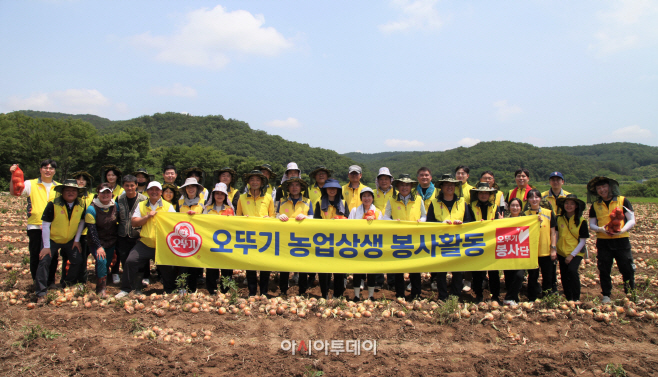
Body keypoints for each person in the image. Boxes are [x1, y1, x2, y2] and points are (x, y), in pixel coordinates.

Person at [115, 181, 177, 298]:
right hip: (145, 243)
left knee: (168, 267)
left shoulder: (168, 206)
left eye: (157, 190)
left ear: (161, 192)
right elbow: (134, 222)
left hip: (161, 244)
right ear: (147, 192)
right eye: (151, 190)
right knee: (131, 261)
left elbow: (175, 224)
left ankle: (169, 290)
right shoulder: (142, 205)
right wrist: (147, 217)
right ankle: (127, 289)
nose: (154, 192)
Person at [9, 160, 60, 291]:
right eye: (45, 168)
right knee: (36, 254)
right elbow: (15, 192)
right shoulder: (30, 184)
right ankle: (36, 281)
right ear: (40, 169)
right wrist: (13, 176)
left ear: (55, 171)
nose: (48, 170)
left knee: (52, 255)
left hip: (53, 226)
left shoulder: (59, 187)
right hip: (36, 226)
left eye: (51, 168)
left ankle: (50, 281)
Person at [35, 179, 86, 303]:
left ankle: (67, 283)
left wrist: (77, 240)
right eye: (67, 190)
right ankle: (41, 292)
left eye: (74, 190)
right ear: (62, 192)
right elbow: (46, 224)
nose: (70, 192)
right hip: (52, 239)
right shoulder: (53, 204)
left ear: (78, 193)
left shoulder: (81, 204)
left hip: (70, 240)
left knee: (77, 260)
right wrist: (46, 246)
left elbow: (82, 222)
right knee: (44, 261)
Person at [587, 176, 636, 304]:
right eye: (599, 188)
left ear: (610, 187)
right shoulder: (595, 205)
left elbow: (631, 219)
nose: (602, 190)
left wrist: (623, 229)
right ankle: (606, 295)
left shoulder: (623, 200)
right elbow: (591, 224)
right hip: (603, 241)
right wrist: (601, 229)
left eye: (604, 187)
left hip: (622, 240)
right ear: (596, 191)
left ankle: (630, 293)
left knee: (627, 268)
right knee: (604, 269)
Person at [426, 174, 473, 301]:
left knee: (458, 271)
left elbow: (468, 220)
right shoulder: (434, 203)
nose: (449, 187)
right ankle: (442, 296)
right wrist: (441, 224)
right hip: (441, 241)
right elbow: (429, 221)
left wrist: (461, 224)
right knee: (441, 271)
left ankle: (455, 295)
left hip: (458, 241)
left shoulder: (462, 202)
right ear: (441, 187)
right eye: (446, 184)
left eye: (452, 184)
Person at [383, 174, 426, 300]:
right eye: (402, 184)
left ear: (411, 186)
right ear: (397, 186)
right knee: (399, 267)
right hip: (398, 237)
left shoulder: (418, 199)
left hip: (415, 237)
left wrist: (421, 221)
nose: (404, 187)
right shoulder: (391, 200)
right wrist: (392, 222)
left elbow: (424, 215)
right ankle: (400, 293)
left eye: (407, 185)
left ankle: (416, 294)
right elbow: (386, 216)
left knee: (415, 267)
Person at [236, 170, 275, 297]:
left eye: (257, 180)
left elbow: (273, 216)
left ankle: (264, 291)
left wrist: (269, 219)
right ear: (248, 182)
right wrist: (243, 219)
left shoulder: (268, 198)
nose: (254, 182)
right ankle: (252, 292)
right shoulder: (241, 198)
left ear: (262, 182)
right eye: (252, 180)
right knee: (250, 265)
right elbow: (237, 217)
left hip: (265, 236)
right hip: (248, 235)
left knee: (265, 265)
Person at [275, 177, 313, 296]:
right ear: (288, 188)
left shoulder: (308, 201)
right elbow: (275, 215)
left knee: (302, 265)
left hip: (302, 237)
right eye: (292, 185)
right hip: (285, 237)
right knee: (284, 265)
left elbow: (312, 218)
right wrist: (279, 217)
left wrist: (306, 217)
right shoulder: (281, 201)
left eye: (297, 185)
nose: (294, 187)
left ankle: (302, 290)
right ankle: (283, 290)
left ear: (301, 187)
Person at [468, 182, 504, 303]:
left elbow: (500, 223)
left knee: (494, 271)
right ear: (477, 194)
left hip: (492, 242)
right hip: (476, 242)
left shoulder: (495, 207)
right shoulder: (470, 206)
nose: (484, 195)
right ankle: (478, 295)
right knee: (477, 271)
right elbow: (468, 222)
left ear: (490, 194)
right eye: (481, 193)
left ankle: (495, 295)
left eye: (486, 193)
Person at [312, 178, 347, 299]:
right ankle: (324, 294)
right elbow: (316, 221)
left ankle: (338, 294)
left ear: (338, 190)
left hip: (339, 241)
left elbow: (348, 221)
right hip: (323, 240)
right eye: (329, 188)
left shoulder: (344, 203)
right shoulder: (319, 202)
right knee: (324, 269)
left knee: (339, 269)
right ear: (325, 189)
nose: (332, 190)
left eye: (335, 188)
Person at [85, 183, 119, 297]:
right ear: (98, 194)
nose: (105, 195)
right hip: (97, 241)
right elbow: (92, 230)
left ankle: (102, 277)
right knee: (101, 260)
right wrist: (98, 246)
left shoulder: (115, 206)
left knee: (106, 263)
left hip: (111, 240)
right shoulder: (91, 209)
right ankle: (101, 289)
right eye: (102, 192)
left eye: (107, 192)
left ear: (112, 194)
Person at [348, 187, 381, 301]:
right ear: (361, 198)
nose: (366, 198)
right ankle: (357, 295)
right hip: (358, 244)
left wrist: (374, 220)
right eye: (364, 196)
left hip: (372, 244)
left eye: (369, 196)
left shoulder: (378, 212)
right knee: (358, 270)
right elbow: (349, 227)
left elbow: (382, 229)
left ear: (372, 198)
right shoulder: (354, 211)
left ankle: (370, 295)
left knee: (371, 271)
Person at [113, 175, 146, 285]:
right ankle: (128, 280)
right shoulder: (119, 199)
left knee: (139, 259)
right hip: (123, 234)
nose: (130, 188)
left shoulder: (143, 199)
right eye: (127, 185)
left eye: (132, 185)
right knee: (124, 258)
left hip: (138, 234)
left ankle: (139, 280)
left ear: (136, 185)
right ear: (123, 186)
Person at [524, 189, 557, 301]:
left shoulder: (548, 213)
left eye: (536, 197)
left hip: (546, 250)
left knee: (548, 275)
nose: (534, 199)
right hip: (531, 251)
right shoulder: (525, 215)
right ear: (528, 200)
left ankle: (547, 297)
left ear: (540, 199)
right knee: (532, 276)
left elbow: (553, 232)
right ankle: (532, 297)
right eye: (531, 197)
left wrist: (553, 248)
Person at [204, 182, 236, 294]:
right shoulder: (207, 209)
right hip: (210, 241)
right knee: (211, 266)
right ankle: (211, 289)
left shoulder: (229, 209)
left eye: (222, 193)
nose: (219, 196)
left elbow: (234, 226)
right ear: (213, 195)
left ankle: (225, 289)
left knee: (226, 266)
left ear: (225, 196)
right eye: (217, 193)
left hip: (225, 242)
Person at [556, 194, 589, 302]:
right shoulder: (559, 219)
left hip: (576, 252)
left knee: (572, 271)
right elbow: (556, 235)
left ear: (576, 206)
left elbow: (583, 241)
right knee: (564, 274)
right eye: (566, 203)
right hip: (561, 251)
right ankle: (568, 296)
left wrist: (572, 255)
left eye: (572, 203)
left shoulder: (582, 221)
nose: (569, 206)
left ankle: (576, 297)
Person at [177, 177, 206, 292]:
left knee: (194, 264)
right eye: (188, 187)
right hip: (182, 237)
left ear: (197, 188)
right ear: (185, 189)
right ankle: (182, 287)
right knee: (182, 264)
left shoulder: (203, 202)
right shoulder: (179, 202)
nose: (191, 189)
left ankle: (192, 289)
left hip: (197, 237)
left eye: (193, 186)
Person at [66, 171, 95, 285]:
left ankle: (82, 280)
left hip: (86, 231)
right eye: (78, 179)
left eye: (84, 179)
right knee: (69, 257)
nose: (81, 181)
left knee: (83, 257)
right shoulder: (70, 197)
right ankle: (68, 279)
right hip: (71, 232)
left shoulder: (92, 196)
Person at [499, 198, 526, 305]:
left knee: (519, 275)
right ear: (509, 207)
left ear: (521, 207)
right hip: (508, 252)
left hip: (521, 252)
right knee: (509, 277)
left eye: (517, 206)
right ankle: (513, 298)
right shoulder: (505, 219)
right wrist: (500, 223)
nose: (515, 208)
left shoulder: (526, 220)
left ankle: (509, 298)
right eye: (512, 205)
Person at [373, 167, 395, 290]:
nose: (384, 181)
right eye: (381, 179)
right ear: (378, 180)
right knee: (378, 254)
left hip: (392, 228)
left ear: (391, 180)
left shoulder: (396, 193)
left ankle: (391, 282)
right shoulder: (373, 193)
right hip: (376, 229)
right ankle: (379, 281)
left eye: (386, 178)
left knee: (391, 254)